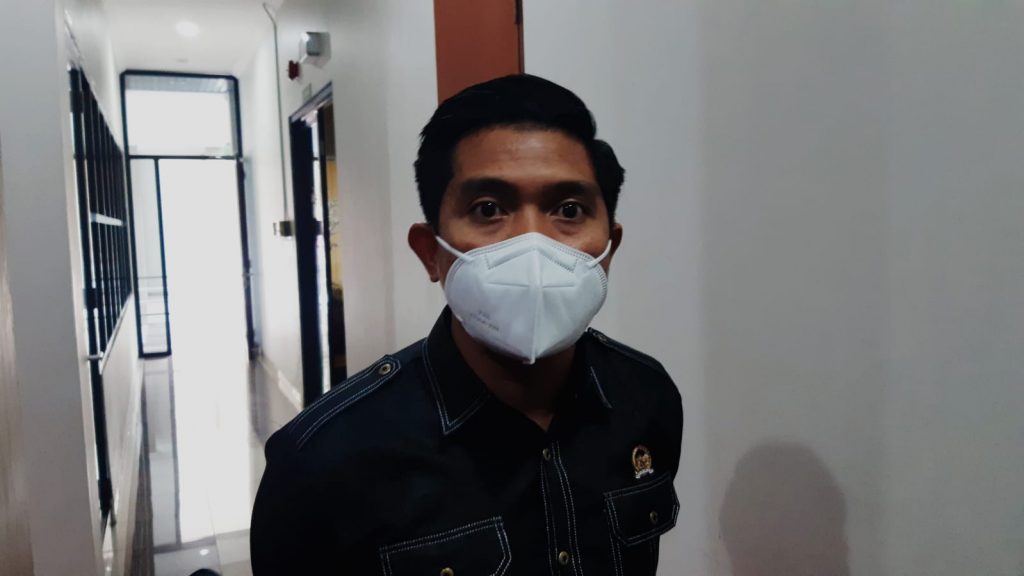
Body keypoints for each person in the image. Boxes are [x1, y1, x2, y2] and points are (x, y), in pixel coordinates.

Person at [250, 74, 683, 575]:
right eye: (488, 209)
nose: (533, 244)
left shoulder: (646, 397)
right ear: (430, 253)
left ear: (609, 248)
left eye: (569, 209)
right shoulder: (323, 461)